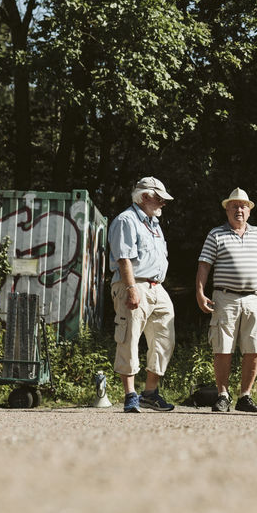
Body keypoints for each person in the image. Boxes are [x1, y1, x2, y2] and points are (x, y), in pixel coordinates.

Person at [195, 188, 257, 413]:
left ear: (249, 211)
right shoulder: (216, 234)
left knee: (254, 348)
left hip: (254, 298)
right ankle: (223, 395)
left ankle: (245, 396)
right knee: (223, 348)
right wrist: (200, 292)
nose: (239, 210)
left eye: (243, 206)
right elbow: (204, 265)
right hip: (225, 298)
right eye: (234, 206)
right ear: (227, 210)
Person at [108, 176, 177, 413]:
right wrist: (130, 288)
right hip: (133, 284)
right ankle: (130, 395)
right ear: (145, 196)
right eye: (159, 198)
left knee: (164, 338)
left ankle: (150, 393)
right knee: (128, 337)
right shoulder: (126, 220)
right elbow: (123, 258)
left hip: (157, 287)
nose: (163, 203)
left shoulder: (154, 224)